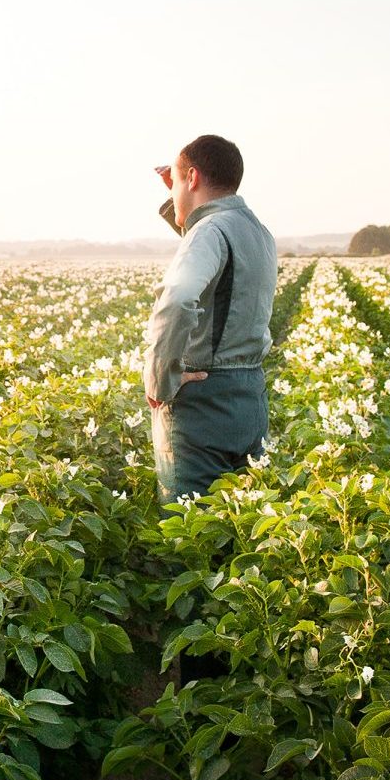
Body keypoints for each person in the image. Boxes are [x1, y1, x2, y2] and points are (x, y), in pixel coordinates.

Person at [143, 135, 278, 505]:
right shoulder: (259, 233)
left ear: (193, 177)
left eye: (177, 181)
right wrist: (178, 197)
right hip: (249, 396)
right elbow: (216, 252)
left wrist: (158, 379)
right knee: (237, 522)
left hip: (203, 401)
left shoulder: (209, 233)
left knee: (188, 535)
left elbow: (179, 297)